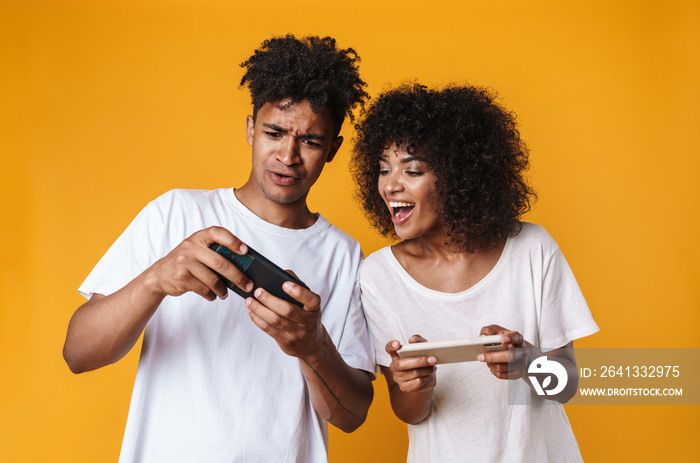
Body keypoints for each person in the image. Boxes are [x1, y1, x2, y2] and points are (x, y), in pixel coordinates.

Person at [63, 35, 375, 462]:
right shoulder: (175, 212)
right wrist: (156, 280)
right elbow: (78, 354)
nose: (288, 155)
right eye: (274, 132)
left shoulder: (343, 254)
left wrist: (311, 344)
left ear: (333, 149)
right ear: (250, 129)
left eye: (311, 141)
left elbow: (351, 415)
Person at [351, 83, 599, 462]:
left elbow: (567, 385)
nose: (390, 185)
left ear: (459, 176)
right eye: (383, 169)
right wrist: (413, 385)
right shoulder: (378, 275)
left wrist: (529, 363)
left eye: (412, 170)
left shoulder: (532, 249)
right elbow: (409, 412)